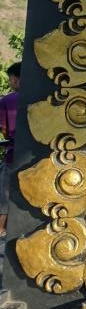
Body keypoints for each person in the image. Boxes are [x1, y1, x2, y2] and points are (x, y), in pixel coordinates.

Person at [0, 62, 21, 239]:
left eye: (11, 79)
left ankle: (1, 229)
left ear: (15, 79)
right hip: (32, 157)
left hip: (12, 153)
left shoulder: (7, 100)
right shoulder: (39, 99)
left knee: (4, 193)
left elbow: (5, 129)